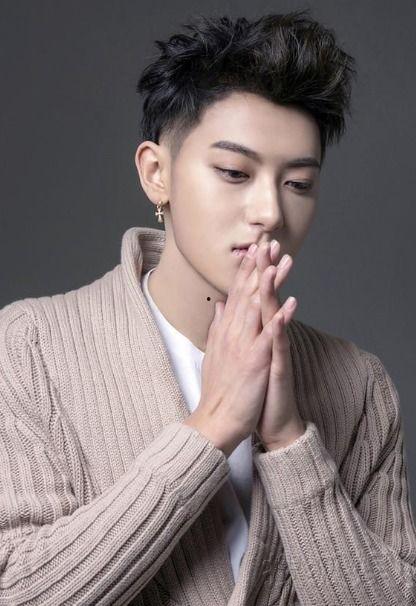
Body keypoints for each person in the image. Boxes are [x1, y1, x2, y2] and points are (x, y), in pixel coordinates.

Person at [0, 9, 415, 605]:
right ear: (156, 174)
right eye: (234, 172)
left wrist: (290, 441)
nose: (270, 212)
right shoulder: (30, 348)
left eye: (298, 183)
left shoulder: (360, 386)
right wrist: (212, 428)